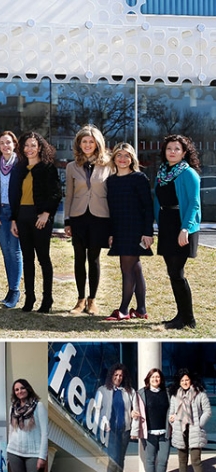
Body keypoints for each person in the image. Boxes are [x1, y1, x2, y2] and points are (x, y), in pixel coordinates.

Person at [10, 132, 61, 313]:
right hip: (22, 217)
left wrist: (46, 214)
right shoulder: (20, 168)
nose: (29, 149)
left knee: (43, 259)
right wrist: (13, 219)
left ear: (40, 147)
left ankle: (47, 299)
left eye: (33, 145)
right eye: (26, 146)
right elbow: (14, 196)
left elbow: (56, 194)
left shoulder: (48, 168)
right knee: (27, 259)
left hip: (40, 217)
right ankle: (29, 298)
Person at [155, 135, 201, 330]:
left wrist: (186, 228)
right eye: (169, 149)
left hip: (182, 225)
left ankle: (188, 318)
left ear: (184, 153)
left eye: (177, 149)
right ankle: (181, 315)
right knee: (172, 273)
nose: (172, 152)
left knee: (177, 272)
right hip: (166, 225)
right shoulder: (162, 173)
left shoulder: (189, 173)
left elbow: (194, 203)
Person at [64, 125, 111, 315]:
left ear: (97, 143)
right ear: (79, 143)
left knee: (94, 258)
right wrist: (67, 220)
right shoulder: (71, 166)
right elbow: (69, 195)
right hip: (78, 216)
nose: (88, 145)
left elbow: (112, 194)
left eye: (91, 141)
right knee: (78, 258)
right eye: (84, 141)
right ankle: (80, 299)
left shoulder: (109, 165)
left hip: (100, 217)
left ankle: (92, 300)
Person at [105, 143, 154, 321]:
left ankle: (124, 310)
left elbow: (147, 207)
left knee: (127, 269)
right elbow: (111, 209)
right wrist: (110, 233)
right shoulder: (110, 181)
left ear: (132, 159)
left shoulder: (139, 178)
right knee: (135, 268)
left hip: (136, 230)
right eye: (119, 155)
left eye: (127, 155)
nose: (123, 159)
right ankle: (141, 309)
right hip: (119, 229)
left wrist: (148, 232)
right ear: (114, 158)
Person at [0, 131, 23, 308]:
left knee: (15, 251)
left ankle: (15, 291)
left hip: (15, 214)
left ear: (14, 144)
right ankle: (10, 290)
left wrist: (17, 217)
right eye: (2, 143)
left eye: (8, 142)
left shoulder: (21, 164)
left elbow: (23, 194)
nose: (5, 146)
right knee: (6, 252)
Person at [168, 369, 211, 472]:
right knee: (182, 460)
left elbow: (207, 411)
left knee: (196, 460)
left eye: (187, 380)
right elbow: (172, 412)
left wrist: (200, 424)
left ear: (191, 380)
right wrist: (172, 420)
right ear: (179, 382)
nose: (185, 382)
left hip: (195, 430)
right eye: (182, 380)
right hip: (180, 431)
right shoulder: (175, 395)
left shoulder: (199, 394)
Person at [131, 368, 170, 472]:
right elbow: (133, 407)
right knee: (150, 460)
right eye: (153, 377)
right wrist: (132, 412)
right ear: (148, 379)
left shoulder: (167, 392)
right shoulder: (141, 393)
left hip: (165, 433)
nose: (155, 379)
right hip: (149, 433)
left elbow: (174, 407)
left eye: (157, 377)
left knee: (163, 460)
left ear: (161, 379)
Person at [98, 363, 135, 472]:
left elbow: (134, 407)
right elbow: (97, 409)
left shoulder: (128, 391)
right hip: (111, 431)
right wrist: (103, 421)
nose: (118, 378)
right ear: (111, 376)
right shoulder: (103, 390)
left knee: (120, 459)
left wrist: (133, 412)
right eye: (116, 375)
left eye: (121, 375)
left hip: (124, 430)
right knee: (113, 459)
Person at [6, 379, 47, 472]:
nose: (19, 391)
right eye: (16, 390)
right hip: (14, 452)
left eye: (22, 388)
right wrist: (8, 449)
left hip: (33, 454)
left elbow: (45, 433)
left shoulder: (38, 406)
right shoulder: (13, 408)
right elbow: (11, 430)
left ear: (28, 389)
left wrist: (42, 456)